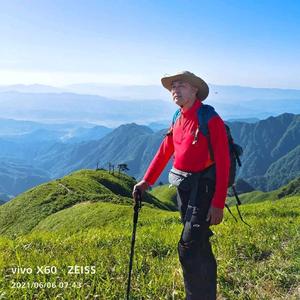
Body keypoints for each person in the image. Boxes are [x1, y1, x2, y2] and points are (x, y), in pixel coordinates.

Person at [132, 71, 230, 300]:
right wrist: (147, 181)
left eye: (182, 85)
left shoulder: (210, 119)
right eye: (173, 86)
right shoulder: (178, 116)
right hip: (183, 189)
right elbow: (165, 151)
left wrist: (218, 203)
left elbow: (224, 162)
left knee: (187, 248)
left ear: (195, 90)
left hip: (204, 189)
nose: (175, 89)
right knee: (199, 245)